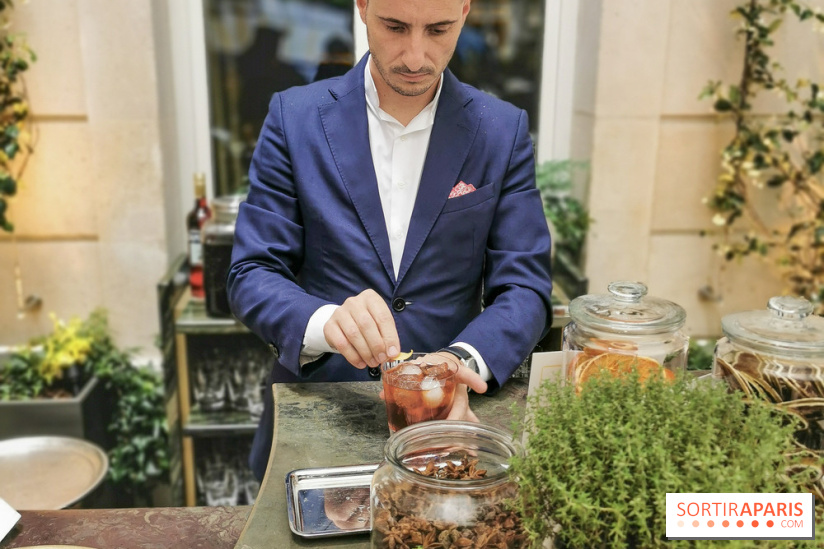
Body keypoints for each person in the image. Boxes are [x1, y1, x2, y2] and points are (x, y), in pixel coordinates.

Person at [227, 0, 553, 481]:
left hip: (449, 423)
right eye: (395, 26)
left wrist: (458, 364)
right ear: (362, 7)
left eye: (439, 29)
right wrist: (326, 322)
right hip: (320, 419)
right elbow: (251, 272)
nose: (416, 57)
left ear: (464, 11)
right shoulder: (293, 118)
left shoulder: (501, 131)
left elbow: (525, 288)